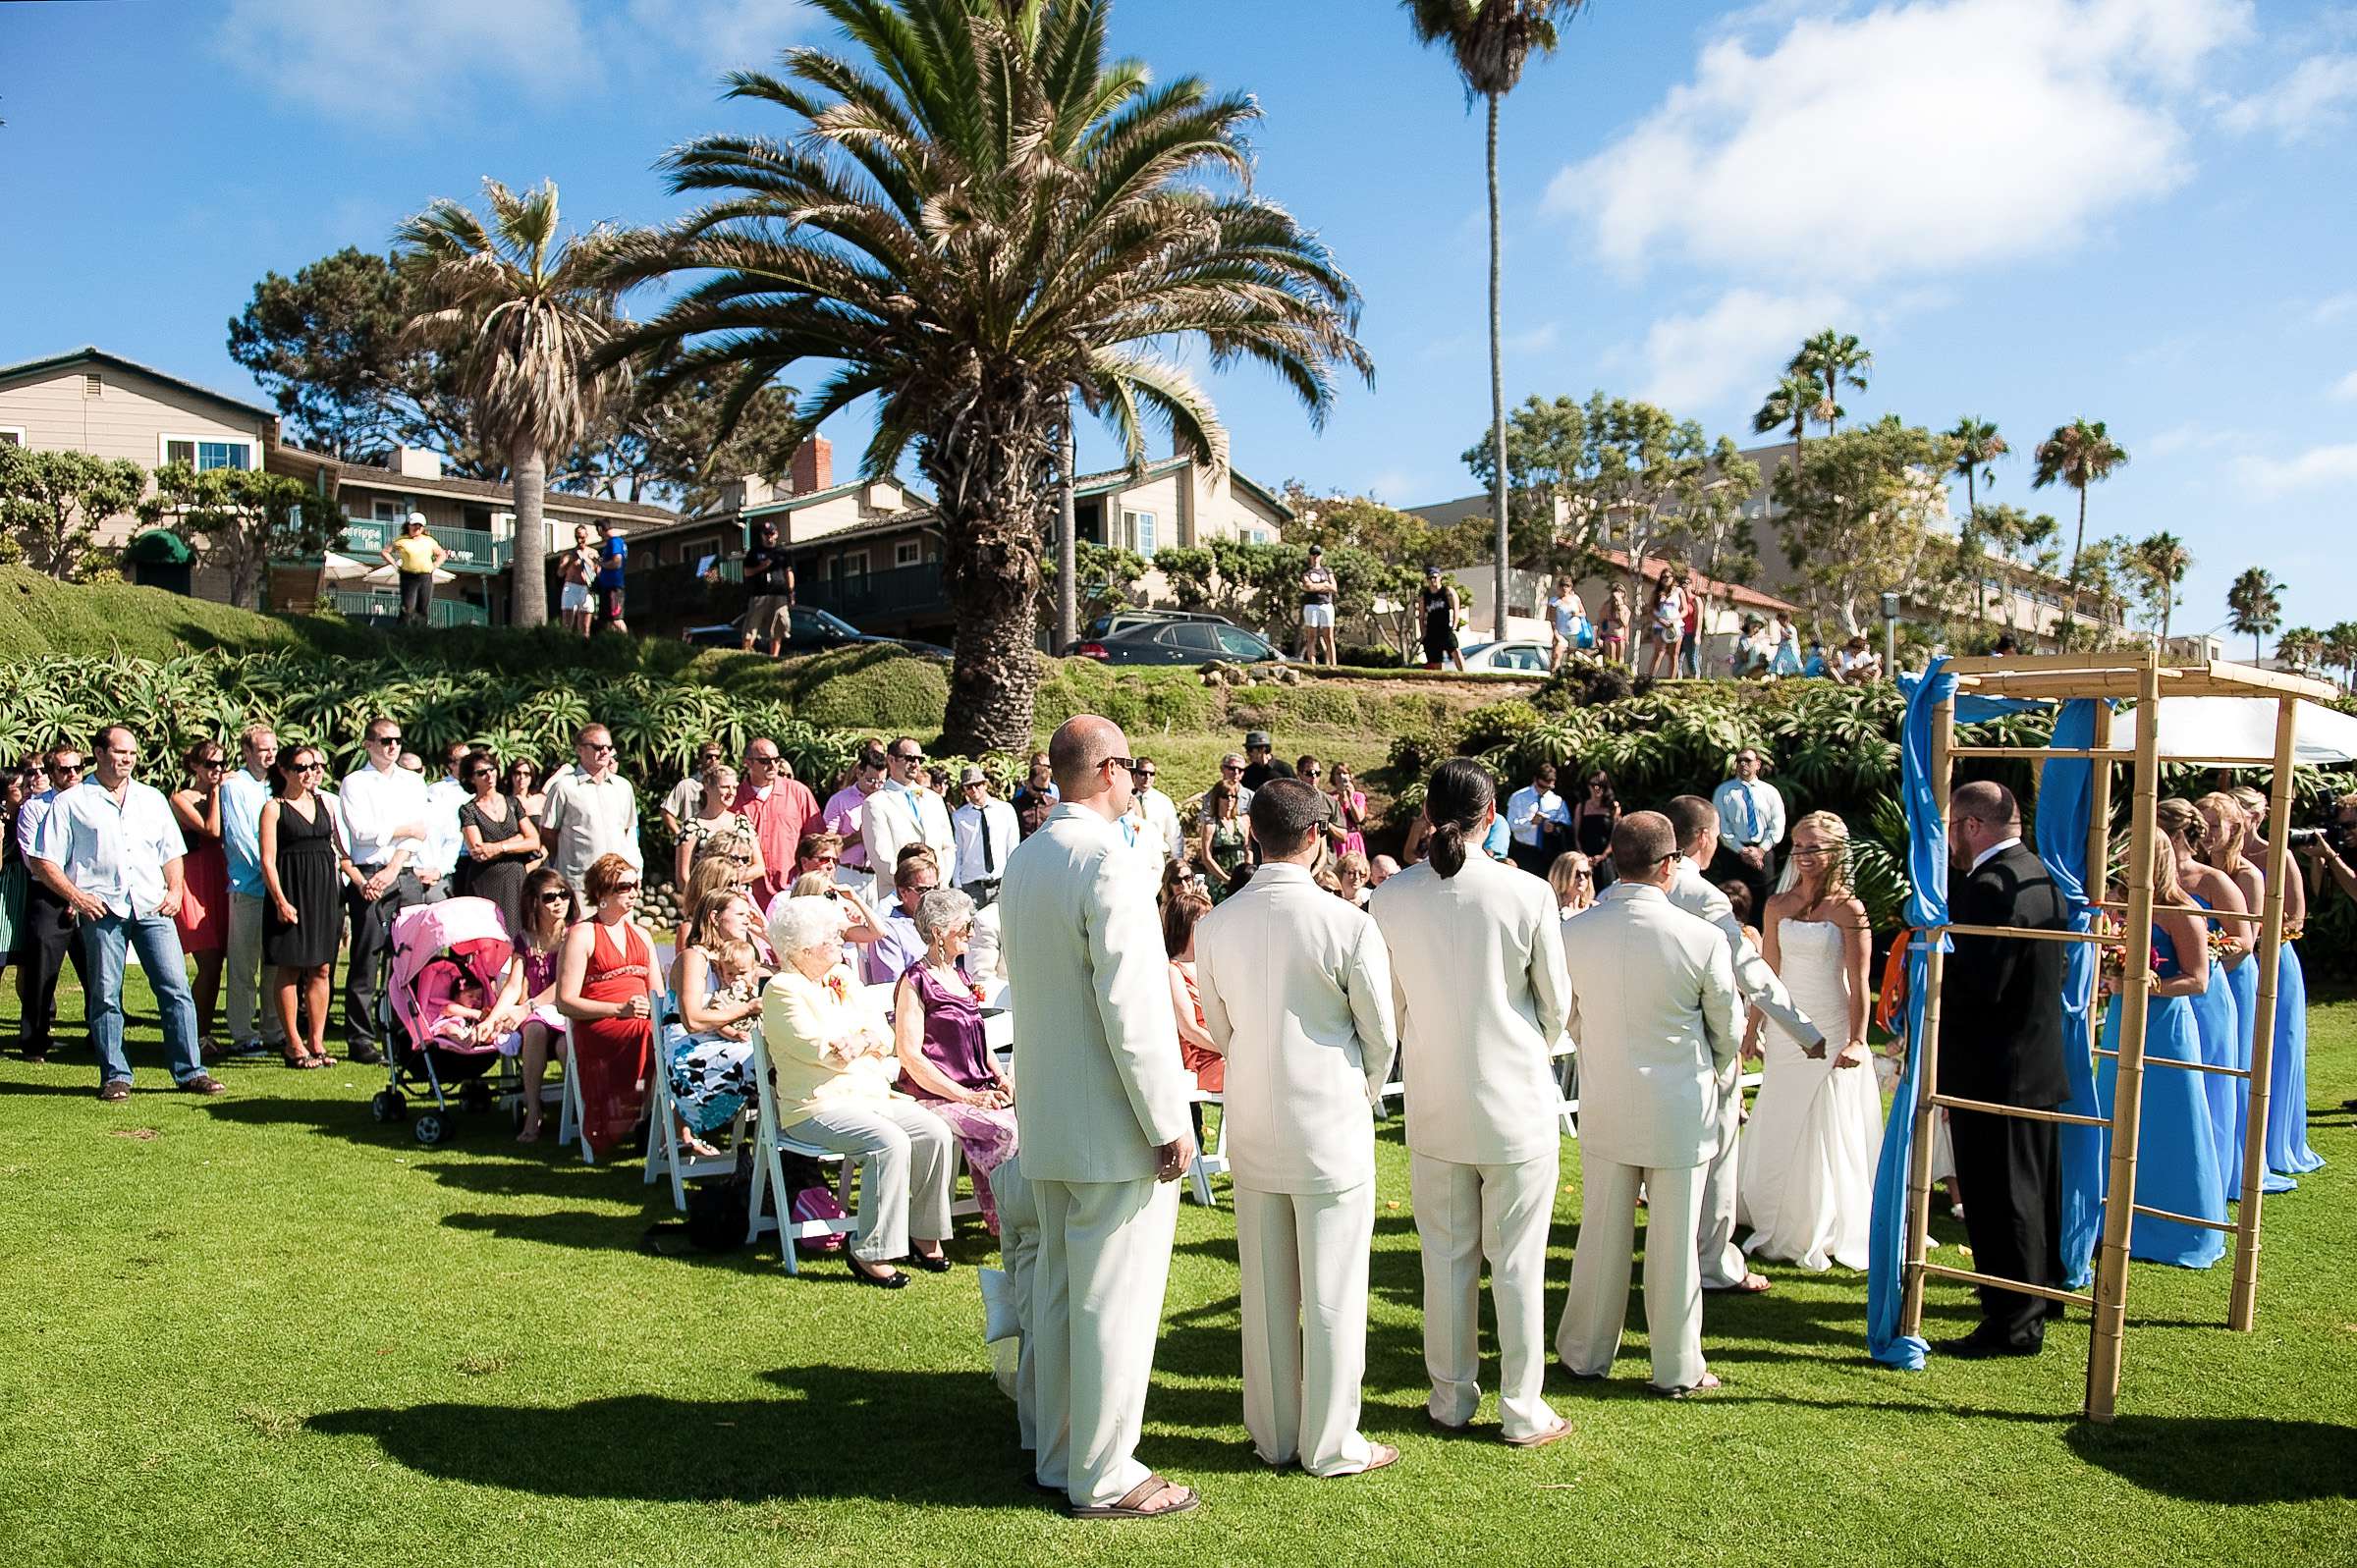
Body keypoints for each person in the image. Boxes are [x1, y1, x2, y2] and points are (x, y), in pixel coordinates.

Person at [998, 715, 1199, 1519]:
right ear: (1111, 771)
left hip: (1048, 1110)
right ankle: (1106, 1471)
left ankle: (1055, 1452)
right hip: (1110, 1121)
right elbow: (1133, 1008)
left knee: (1057, 1292)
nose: (1138, 783)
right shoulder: (1105, 860)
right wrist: (1167, 1118)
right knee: (1112, 1300)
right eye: (1133, 770)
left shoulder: (1028, 855)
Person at [1194, 777, 1399, 1478]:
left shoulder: (1214, 922)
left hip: (1252, 1121)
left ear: (1253, 835)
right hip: (1330, 1124)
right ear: (1317, 838)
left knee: (1268, 1287)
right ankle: (1331, 1441)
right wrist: (1356, 1092)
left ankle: (1276, 1433)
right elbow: (1381, 1036)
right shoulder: (1348, 923)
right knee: (1335, 1287)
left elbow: (1222, 1031)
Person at [1369, 759, 1571, 1448]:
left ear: (1429, 813)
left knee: (1446, 1256)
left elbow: (1388, 1010)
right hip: (1513, 1098)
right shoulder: (1528, 893)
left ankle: (1450, 1397)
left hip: (1433, 1097)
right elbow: (1557, 1006)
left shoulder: (1391, 897)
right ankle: (1521, 1407)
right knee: (1517, 1259)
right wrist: (1526, 1047)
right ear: (1494, 817)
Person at [1556, 812, 1744, 1396]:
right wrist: (1711, 1071)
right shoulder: (1702, 937)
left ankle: (1584, 1352)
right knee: (1675, 1242)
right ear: (1669, 865)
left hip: (1608, 1097)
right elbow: (1729, 1030)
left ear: (1613, 860)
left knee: (1601, 1233)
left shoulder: (1573, 934)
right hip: (1679, 1105)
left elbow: (1570, 1017)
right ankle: (1677, 1366)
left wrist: (1601, 1049)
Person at [1662, 794, 1824, 1292]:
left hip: (1643, 1050)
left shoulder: (1623, 889)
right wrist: (1804, 1030)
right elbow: (1749, 971)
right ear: (1707, 838)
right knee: (1716, 1160)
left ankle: (1667, 1251)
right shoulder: (1704, 897)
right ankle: (1711, 1263)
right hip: (1702, 1046)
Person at [1935, 781, 2070, 1358]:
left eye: (1949, 829)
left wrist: (1929, 975)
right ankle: (2044, 1290)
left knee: (1999, 1194)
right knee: (2036, 1187)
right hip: (2036, 1058)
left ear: (1969, 826)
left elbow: (1979, 985)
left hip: (1993, 1066)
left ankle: (2013, 1320)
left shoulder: (1986, 888)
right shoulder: (2041, 876)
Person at [766, 893, 958, 1286]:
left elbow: (884, 1034)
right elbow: (812, 1046)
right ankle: (871, 1251)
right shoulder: (782, 988)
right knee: (888, 1142)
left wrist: (861, 1040)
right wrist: (856, 1041)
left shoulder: (844, 978)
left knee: (937, 1131)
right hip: (816, 1108)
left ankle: (923, 1232)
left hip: (869, 1097)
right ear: (804, 947)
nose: (841, 943)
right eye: (832, 938)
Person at [28, 726, 224, 1101]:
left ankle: (191, 1071)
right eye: (120, 752)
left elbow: (171, 851)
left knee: (176, 989)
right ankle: (115, 1075)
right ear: (99, 753)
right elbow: (43, 861)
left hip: (152, 905)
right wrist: (77, 896)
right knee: (104, 994)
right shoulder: (71, 802)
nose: (128, 759)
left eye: (133, 753)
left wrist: (176, 889)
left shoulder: (150, 798)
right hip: (103, 909)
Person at [1738, 809, 1880, 1271]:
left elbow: (1860, 982)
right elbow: (1769, 973)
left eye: (1813, 847)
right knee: (1780, 1108)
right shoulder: (1777, 906)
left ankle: (1822, 1217)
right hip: (1786, 1028)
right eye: (1798, 847)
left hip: (1831, 1023)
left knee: (1824, 1118)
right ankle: (1768, 1203)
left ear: (1836, 852)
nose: (1803, 856)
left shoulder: (1849, 910)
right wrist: (1752, 1026)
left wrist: (1858, 1040)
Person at [2093, 838, 2225, 1269]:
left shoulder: (2181, 910)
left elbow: (2198, 979)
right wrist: (2110, 974)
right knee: (2117, 1110)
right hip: (2121, 1022)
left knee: (2169, 1117)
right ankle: (2114, 1217)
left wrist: (2149, 984)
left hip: (2165, 1025)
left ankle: (2177, 1222)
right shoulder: (2118, 904)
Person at [892, 887, 1016, 1233]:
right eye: (965, 927)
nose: (972, 933)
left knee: (1037, 1121)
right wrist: (967, 1097)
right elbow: (910, 1056)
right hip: (937, 1095)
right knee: (1008, 1132)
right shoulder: (915, 982)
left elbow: (977, 1037)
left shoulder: (961, 976)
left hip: (978, 1089)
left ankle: (1031, 1218)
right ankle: (1006, 1222)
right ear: (938, 932)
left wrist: (1002, 1078)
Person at [2220, 786, 2323, 1178]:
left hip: (2274, 961)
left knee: (2277, 1048)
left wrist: (2258, 938)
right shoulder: (2215, 859)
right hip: (2235, 963)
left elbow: (2295, 918)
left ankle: (2275, 1139)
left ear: (2255, 818)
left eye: (2235, 814)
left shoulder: (2277, 857)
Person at [2160, 800, 2258, 1200]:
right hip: (2165, 996)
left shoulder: (2214, 881)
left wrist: (2202, 948)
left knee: (2212, 1082)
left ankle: (2215, 1177)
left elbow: (2244, 941)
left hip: (2208, 992)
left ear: (2177, 835)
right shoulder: (2145, 879)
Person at [339, 716, 435, 1066]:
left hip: (403, 871)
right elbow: (362, 832)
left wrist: (394, 860)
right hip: (369, 873)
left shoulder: (412, 781)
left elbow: (420, 830)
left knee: (409, 959)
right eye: (384, 741)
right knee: (366, 959)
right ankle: (361, 1038)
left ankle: (404, 1030)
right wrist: (402, 829)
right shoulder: (355, 783)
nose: (392, 746)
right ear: (368, 744)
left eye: (396, 740)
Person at [554, 852, 655, 1160]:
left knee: (669, 1034)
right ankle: (645, 1121)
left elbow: (658, 995)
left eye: (636, 885)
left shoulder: (642, 935)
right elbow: (565, 1001)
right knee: (649, 1033)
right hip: (600, 1023)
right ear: (602, 892)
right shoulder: (583, 934)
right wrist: (618, 1010)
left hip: (640, 1019)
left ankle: (660, 1122)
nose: (634, 892)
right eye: (625, 886)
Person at [260, 744, 352, 1070]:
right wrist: (281, 901)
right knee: (290, 966)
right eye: (302, 767)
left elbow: (340, 849)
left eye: (314, 766)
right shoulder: (274, 808)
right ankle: (293, 1043)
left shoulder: (324, 802)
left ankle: (317, 1039)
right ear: (284, 771)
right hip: (291, 889)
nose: (310, 772)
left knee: (322, 967)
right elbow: (268, 861)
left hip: (324, 891)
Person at [665, 889, 768, 1156]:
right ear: (714, 917)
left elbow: (791, 970)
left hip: (728, 1047)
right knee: (771, 1058)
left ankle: (781, 1155)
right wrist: (745, 1009)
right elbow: (692, 1020)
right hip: (692, 1057)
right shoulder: (693, 958)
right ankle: (784, 1155)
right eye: (741, 914)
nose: (748, 919)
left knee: (780, 1054)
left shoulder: (734, 960)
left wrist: (764, 932)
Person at [15, 745, 91, 1063]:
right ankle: (34, 1041)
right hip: (49, 896)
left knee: (96, 968)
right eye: (64, 769)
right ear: (52, 772)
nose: (72, 774)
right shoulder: (34, 809)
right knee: (42, 971)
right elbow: (36, 862)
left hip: (89, 894)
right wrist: (70, 894)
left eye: (77, 767)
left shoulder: (93, 803)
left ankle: (99, 1033)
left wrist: (81, 895)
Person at [218, 724, 285, 1060]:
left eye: (273, 748)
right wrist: (269, 873)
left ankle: (274, 1029)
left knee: (275, 963)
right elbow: (240, 838)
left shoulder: (279, 786)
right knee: (244, 967)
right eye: (263, 749)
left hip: (277, 891)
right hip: (249, 888)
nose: (270, 754)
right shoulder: (235, 787)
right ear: (247, 752)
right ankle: (243, 1033)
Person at [503, 869, 578, 1143]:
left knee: (564, 1046)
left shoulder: (576, 935)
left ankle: (580, 1112)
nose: (559, 902)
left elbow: (566, 985)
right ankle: (533, 1109)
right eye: (550, 897)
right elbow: (513, 985)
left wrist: (528, 1006)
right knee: (534, 1029)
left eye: (564, 895)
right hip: (538, 1018)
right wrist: (492, 1019)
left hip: (569, 1013)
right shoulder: (525, 940)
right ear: (534, 901)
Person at [167, 740, 231, 1058]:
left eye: (221, 763)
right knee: (207, 962)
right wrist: (218, 791)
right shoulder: (180, 798)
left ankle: (202, 1033)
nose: (216, 770)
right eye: (210, 764)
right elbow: (211, 829)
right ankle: (192, 1034)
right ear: (194, 766)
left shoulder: (225, 791)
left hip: (221, 878)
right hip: (194, 881)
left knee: (217, 963)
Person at [540, 725, 641, 901]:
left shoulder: (623, 787)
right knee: (579, 929)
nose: (604, 752)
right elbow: (548, 833)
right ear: (580, 750)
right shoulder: (564, 787)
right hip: (579, 883)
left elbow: (626, 831)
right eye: (597, 747)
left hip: (617, 882)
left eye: (608, 748)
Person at [862, 735, 956, 905]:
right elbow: (881, 858)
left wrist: (938, 882)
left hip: (937, 895)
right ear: (891, 759)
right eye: (910, 758)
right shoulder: (875, 803)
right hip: (899, 897)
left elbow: (947, 847)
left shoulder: (934, 799)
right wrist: (916, 886)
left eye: (920, 759)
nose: (916, 764)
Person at [456, 749, 539, 939]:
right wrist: (517, 840)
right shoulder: (469, 810)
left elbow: (534, 841)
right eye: (481, 772)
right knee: (489, 938)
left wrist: (499, 847)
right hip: (486, 880)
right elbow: (478, 851)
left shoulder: (512, 803)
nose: (489, 775)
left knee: (520, 938)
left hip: (516, 879)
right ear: (471, 778)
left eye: (492, 769)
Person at [736, 738, 819, 909]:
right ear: (747, 763)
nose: (773, 765)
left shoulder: (798, 792)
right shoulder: (734, 798)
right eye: (765, 761)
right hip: (747, 894)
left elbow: (816, 842)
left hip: (791, 892)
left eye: (777, 759)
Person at [1163, 890, 1225, 1099]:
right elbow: (1189, 1029)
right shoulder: (1174, 970)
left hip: (1225, 1054)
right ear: (1187, 925)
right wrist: (1231, 1049)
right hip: (1202, 1062)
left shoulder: (1209, 965)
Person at [1712, 747, 1785, 917]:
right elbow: (1722, 826)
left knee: (1764, 900)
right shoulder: (1723, 791)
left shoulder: (1770, 792)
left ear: (1758, 764)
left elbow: (1777, 824)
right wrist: (1742, 851)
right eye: (1739, 761)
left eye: (1747, 760)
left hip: (1763, 852)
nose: (1743, 764)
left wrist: (1760, 850)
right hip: (1734, 853)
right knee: (1733, 900)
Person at [674, 762, 761, 893]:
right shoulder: (692, 827)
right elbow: (683, 877)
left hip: (739, 900)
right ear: (708, 787)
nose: (731, 793)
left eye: (734, 787)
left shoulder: (743, 823)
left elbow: (759, 867)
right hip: (706, 901)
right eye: (725, 787)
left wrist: (730, 878)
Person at [946, 765, 1018, 908]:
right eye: (969, 787)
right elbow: (957, 850)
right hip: (971, 884)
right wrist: (957, 884)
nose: (974, 790)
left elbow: (1013, 846)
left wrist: (1012, 879)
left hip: (1000, 883)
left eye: (977, 785)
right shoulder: (959, 816)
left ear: (985, 784)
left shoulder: (1005, 810)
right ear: (964, 790)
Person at [863, 847, 939, 985]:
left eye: (935, 888)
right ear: (903, 892)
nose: (931, 896)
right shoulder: (888, 932)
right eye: (923, 890)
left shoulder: (942, 924)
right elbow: (891, 986)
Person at [823, 747, 887, 887]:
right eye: (870, 780)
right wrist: (857, 837)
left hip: (880, 878)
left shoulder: (887, 800)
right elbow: (826, 844)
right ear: (859, 773)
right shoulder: (839, 800)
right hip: (848, 874)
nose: (876, 786)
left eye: (881, 782)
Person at [1504, 762, 1571, 878]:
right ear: (1535, 780)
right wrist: (1530, 822)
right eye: (1542, 786)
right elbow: (1511, 824)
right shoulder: (1519, 797)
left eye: (1548, 787)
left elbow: (1567, 823)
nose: (1544, 790)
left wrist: (1553, 827)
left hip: (1548, 852)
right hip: (1525, 851)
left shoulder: (1557, 801)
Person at [740, 518, 796, 655]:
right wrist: (762, 566)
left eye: (771, 534)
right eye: (766, 534)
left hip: (779, 594)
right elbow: (747, 572)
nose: (769, 537)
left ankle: (774, 657)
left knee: (778, 627)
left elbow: (788, 572)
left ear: (776, 534)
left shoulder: (782, 552)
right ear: (762, 535)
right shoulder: (754, 552)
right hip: (759, 594)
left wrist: (791, 592)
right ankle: (745, 655)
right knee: (751, 627)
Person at [383, 514, 448, 626]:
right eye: (414, 525)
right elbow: (385, 552)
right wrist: (394, 564)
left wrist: (435, 565)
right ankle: (402, 632)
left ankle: (421, 633)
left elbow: (442, 554)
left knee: (423, 608)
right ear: (408, 525)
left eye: (420, 526)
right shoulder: (401, 540)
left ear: (423, 528)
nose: (417, 528)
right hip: (408, 577)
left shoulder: (429, 541)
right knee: (408, 607)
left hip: (425, 577)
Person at [1197, 782, 1250, 901]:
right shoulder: (1210, 825)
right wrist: (1226, 878)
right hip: (1219, 881)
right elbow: (1206, 857)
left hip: (1241, 881)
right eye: (1225, 796)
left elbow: (1247, 849)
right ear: (1217, 799)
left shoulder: (1243, 822)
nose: (1230, 800)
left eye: (1233, 796)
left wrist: (1246, 875)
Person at [661, 742, 727, 838]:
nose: (713, 760)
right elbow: (666, 811)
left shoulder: (725, 786)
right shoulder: (687, 785)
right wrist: (680, 835)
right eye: (709, 756)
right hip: (693, 840)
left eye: (717, 756)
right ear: (700, 759)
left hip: (717, 841)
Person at [1130, 758, 1185, 864]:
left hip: (1158, 857)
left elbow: (1174, 833)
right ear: (1135, 774)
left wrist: (1178, 861)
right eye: (1143, 773)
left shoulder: (1163, 801)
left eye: (1151, 774)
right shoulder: (1125, 799)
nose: (1147, 777)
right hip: (1133, 857)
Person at [1418, 567, 1465, 673]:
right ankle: (1440, 679)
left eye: (1435, 577)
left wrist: (1454, 625)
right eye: (1430, 578)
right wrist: (1423, 633)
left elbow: (1456, 609)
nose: (1432, 580)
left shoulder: (1447, 591)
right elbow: (1421, 617)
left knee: (1455, 650)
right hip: (1431, 630)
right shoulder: (1424, 596)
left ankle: (1463, 674)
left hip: (1445, 628)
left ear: (1440, 578)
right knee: (1436, 659)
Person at [1299, 543, 1339, 666]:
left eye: (1317, 554)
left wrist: (1317, 587)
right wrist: (1325, 585)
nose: (1315, 556)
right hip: (1311, 605)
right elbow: (1308, 586)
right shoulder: (1306, 572)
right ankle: (1312, 665)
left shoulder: (1327, 571)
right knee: (1311, 636)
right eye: (1313, 554)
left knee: (1329, 636)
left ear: (1321, 556)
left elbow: (1334, 587)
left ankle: (1333, 665)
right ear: (1310, 556)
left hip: (1326, 605)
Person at [558, 524, 597, 637]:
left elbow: (598, 571)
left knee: (585, 627)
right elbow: (560, 573)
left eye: (582, 537)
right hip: (571, 588)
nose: (580, 540)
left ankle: (584, 649)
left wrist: (590, 561)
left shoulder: (592, 552)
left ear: (587, 537)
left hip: (586, 589)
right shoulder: (569, 553)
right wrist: (571, 561)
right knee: (567, 624)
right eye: (577, 537)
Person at [1645, 569, 1683, 680]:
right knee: (1659, 652)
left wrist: (1676, 619)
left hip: (1675, 626)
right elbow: (1650, 610)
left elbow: (1685, 609)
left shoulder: (1679, 591)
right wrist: (1660, 620)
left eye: (1668, 576)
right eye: (1663, 577)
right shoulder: (1656, 593)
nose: (1666, 579)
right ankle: (1650, 678)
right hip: (1660, 626)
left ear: (1673, 578)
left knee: (1674, 654)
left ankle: (1672, 680)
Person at [593, 518, 630, 634]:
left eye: (598, 531)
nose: (599, 535)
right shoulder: (614, 542)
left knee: (616, 620)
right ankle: (612, 643)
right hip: (607, 586)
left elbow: (617, 562)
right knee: (607, 621)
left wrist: (601, 563)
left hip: (614, 588)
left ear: (600, 529)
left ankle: (627, 644)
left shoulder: (615, 542)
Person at [1548, 579, 1592, 672]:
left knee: (1571, 658)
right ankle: (1554, 675)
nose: (1564, 588)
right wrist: (1556, 634)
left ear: (1570, 587)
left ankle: (1568, 678)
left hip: (1574, 633)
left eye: (1567, 586)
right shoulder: (1554, 601)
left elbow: (1583, 613)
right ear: (1558, 587)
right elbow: (1552, 620)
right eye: (1562, 585)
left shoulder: (1575, 599)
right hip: (1560, 633)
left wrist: (1576, 614)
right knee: (1557, 654)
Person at [1326, 763, 1367, 860]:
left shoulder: (1358, 796)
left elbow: (1359, 818)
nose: (1342, 776)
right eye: (1338, 774)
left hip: (1354, 838)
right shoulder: (1330, 798)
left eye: (1345, 773)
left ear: (1350, 776)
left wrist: (1351, 798)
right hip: (1337, 839)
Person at [503, 757, 548, 842]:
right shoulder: (503, 802)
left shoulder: (540, 800)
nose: (522, 777)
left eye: (526, 774)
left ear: (532, 776)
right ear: (511, 775)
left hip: (540, 851)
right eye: (517, 773)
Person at [1546, 851, 1593, 917]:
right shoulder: (1548, 910)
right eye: (1577, 874)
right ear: (1561, 876)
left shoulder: (1594, 908)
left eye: (1586, 874)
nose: (1583, 878)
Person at [1598, 584, 1630, 667]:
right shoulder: (1606, 607)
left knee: (1620, 658)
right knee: (1611, 656)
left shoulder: (1625, 609)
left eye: (1620, 591)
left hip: (1620, 636)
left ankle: (1619, 674)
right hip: (1609, 635)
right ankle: (1609, 674)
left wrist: (1619, 612)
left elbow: (1625, 624)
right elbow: (1600, 621)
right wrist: (1599, 637)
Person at [1769, 610, 1803, 676]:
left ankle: (1792, 674)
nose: (1780, 623)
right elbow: (1783, 641)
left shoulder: (1791, 628)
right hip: (1783, 650)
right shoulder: (1784, 628)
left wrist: (1783, 632)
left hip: (1790, 650)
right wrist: (1775, 644)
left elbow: (1790, 637)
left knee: (1790, 662)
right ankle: (1782, 675)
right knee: (1779, 663)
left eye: (1780, 621)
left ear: (1786, 620)